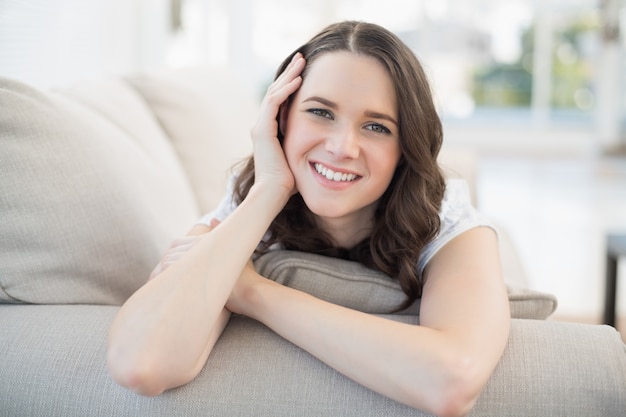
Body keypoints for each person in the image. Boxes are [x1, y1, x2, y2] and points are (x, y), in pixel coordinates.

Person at [107, 21, 510, 417]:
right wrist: (268, 190)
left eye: (375, 126)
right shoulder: (246, 206)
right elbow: (141, 364)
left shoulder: (448, 219)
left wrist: (251, 291)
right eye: (320, 112)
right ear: (281, 119)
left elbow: (451, 382)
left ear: (404, 146)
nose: (341, 147)